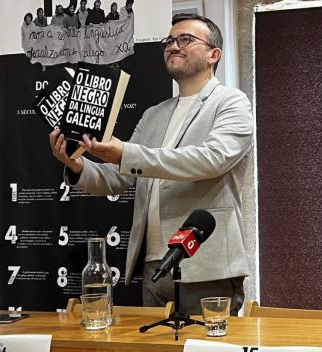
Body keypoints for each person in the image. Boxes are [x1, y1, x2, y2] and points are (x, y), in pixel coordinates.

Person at [49, 13, 253, 315]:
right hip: (154, 266)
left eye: (185, 39)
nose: (173, 46)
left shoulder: (231, 102)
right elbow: (118, 178)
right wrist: (76, 165)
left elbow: (211, 159)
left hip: (206, 266)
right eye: (169, 41)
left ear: (214, 54)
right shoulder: (154, 114)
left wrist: (126, 153)